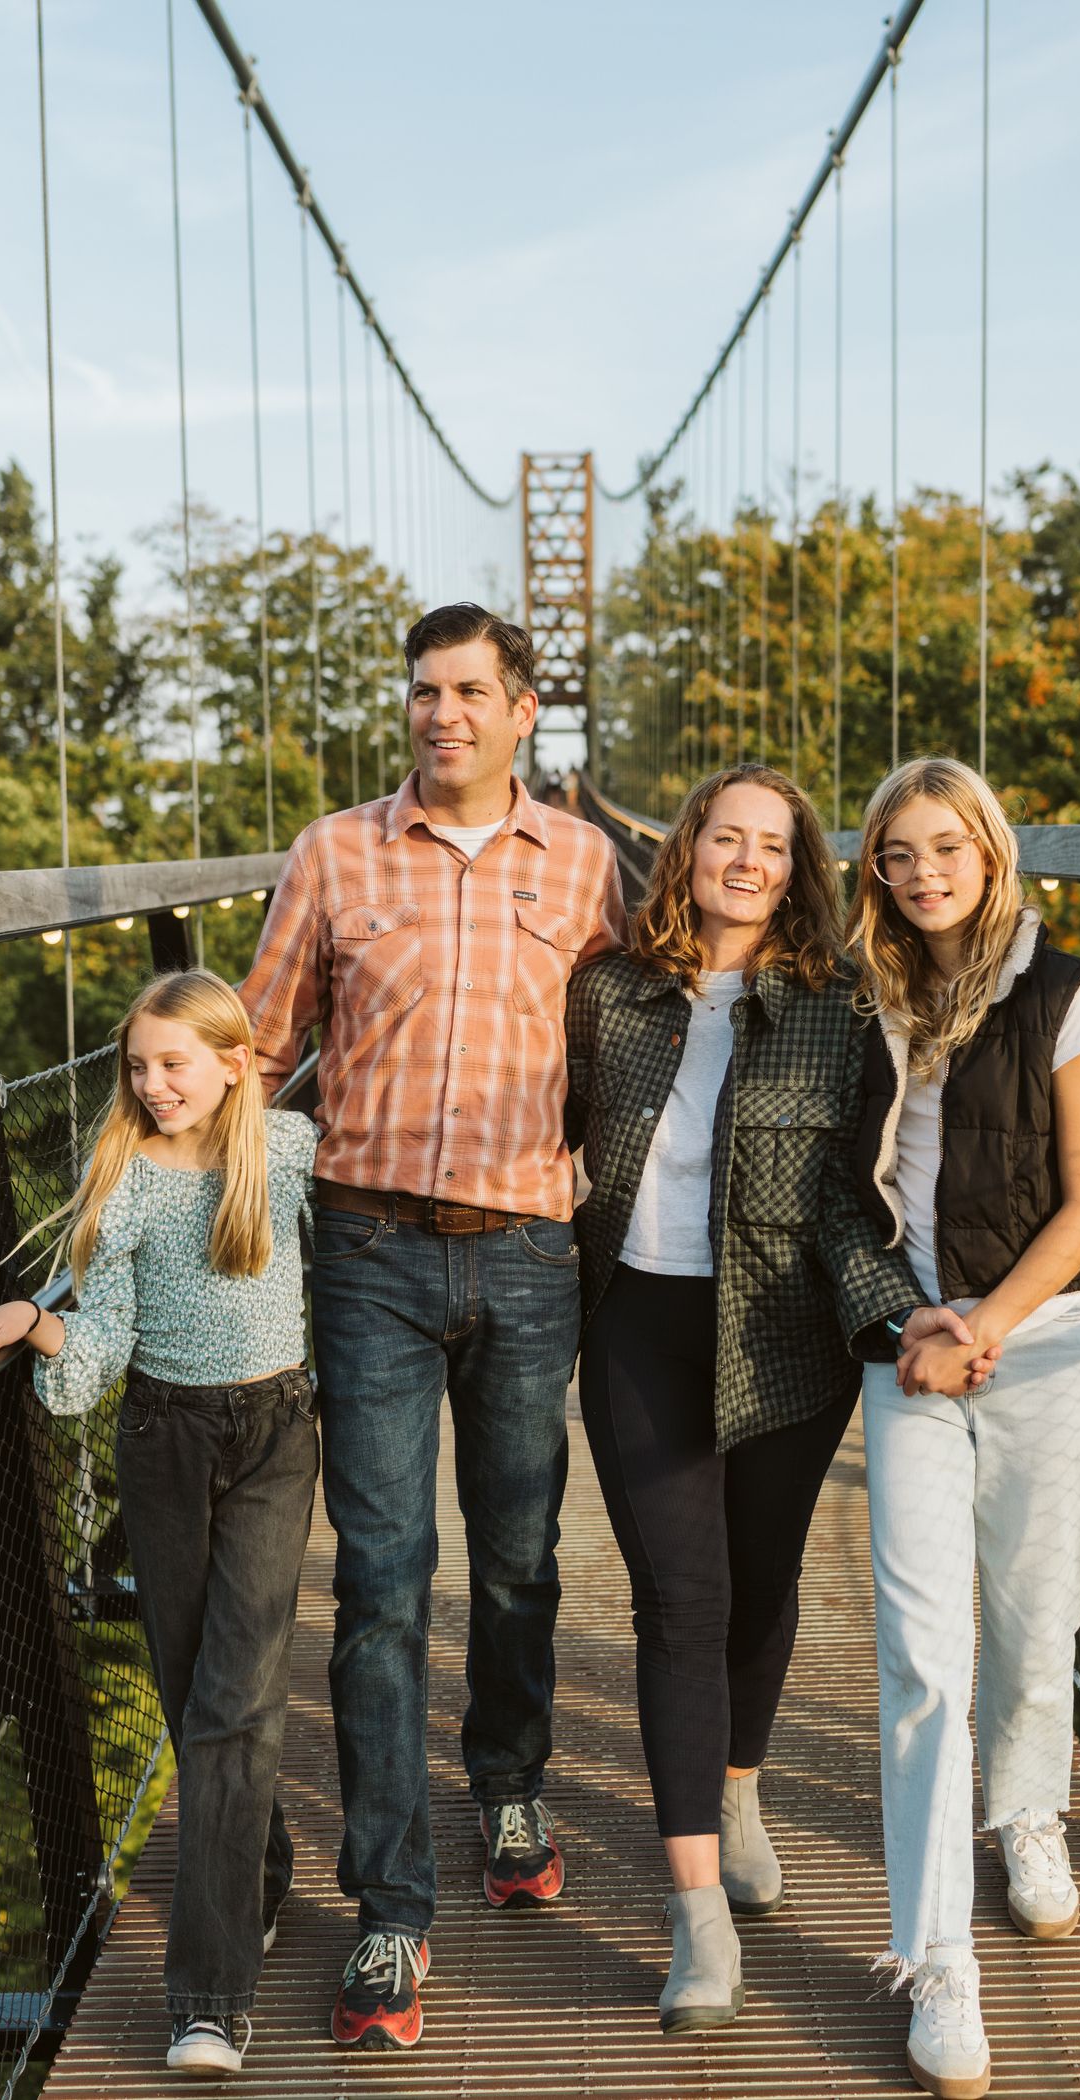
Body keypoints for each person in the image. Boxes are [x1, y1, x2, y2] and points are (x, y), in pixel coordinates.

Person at [239, 602, 627, 2052]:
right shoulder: (333, 855)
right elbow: (258, 1055)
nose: (441, 712)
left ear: (524, 712)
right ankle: (391, 1906)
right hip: (368, 1252)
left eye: (471, 691)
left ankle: (509, 1775)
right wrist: (137, 1231)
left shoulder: (587, 866)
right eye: (424, 690)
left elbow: (639, 1050)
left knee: (520, 1558)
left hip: (530, 1253)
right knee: (385, 1581)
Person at [563, 763, 1000, 2036]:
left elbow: (837, 1199)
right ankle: (695, 1908)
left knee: (760, 1588)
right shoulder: (606, 990)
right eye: (724, 836)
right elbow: (548, 1129)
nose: (745, 860)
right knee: (677, 1600)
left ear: (797, 864)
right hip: (637, 1319)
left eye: (771, 843)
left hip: (787, 1332)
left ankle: (739, 1783)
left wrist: (894, 1305)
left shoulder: (836, 1001)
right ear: (683, 847)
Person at [0, 970, 320, 2080]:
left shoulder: (286, 1153)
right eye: (140, 1065)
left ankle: (207, 2002)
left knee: (233, 1703)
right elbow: (104, 1332)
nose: (154, 1085)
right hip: (162, 1442)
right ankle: (257, 1873)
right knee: (189, 1686)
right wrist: (40, 1326)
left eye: (176, 1063)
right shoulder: (121, 1178)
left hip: (272, 1435)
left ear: (234, 1064)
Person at [846, 756, 1080, 2100]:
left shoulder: (1068, 992)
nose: (922, 875)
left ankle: (1025, 1812)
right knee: (922, 1654)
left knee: (1037, 1618)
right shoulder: (860, 995)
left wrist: (986, 1328)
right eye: (897, 855)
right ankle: (935, 1961)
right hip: (911, 1349)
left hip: (1037, 1343)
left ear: (991, 851)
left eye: (944, 849)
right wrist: (917, 1324)